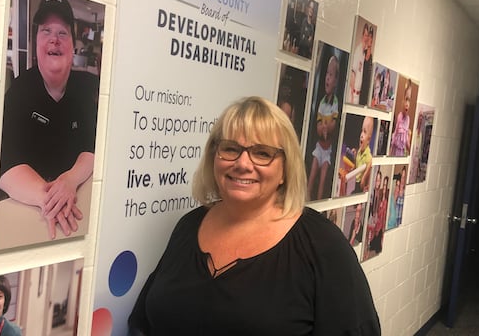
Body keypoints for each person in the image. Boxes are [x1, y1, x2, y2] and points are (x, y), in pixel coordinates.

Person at [129, 96, 380, 335]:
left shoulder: (322, 245)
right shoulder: (189, 226)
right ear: (214, 157)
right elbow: (146, 320)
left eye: (262, 153)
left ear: (285, 169)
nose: (242, 164)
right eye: (230, 149)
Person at [0, 0, 98, 239]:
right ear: (36, 43)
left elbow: (94, 146)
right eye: (46, 31)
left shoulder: (88, 88)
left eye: (62, 33)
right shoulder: (20, 91)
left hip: (78, 208)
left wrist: (70, 180)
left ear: (73, 46)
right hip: (30, 212)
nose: (54, 40)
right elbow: (4, 163)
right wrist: (50, 199)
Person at [308, 55, 339, 200]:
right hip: (319, 147)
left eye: (331, 75)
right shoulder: (321, 102)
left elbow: (333, 124)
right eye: (327, 73)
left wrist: (327, 127)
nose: (327, 78)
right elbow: (318, 126)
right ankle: (307, 198)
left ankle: (319, 205)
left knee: (322, 179)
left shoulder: (335, 102)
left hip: (327, 151)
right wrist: (323, 128)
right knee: (312, 175)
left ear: (336, 81)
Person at [390, 79, 412, 156]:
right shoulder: (400, 116)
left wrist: (410, 151)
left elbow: (406, 141)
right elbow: (396, 133)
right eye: (406, 100)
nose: (407, 104)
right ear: (403, 100)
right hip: (395, 150)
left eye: (409, 100)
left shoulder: (407, 119)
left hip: (401, 152)